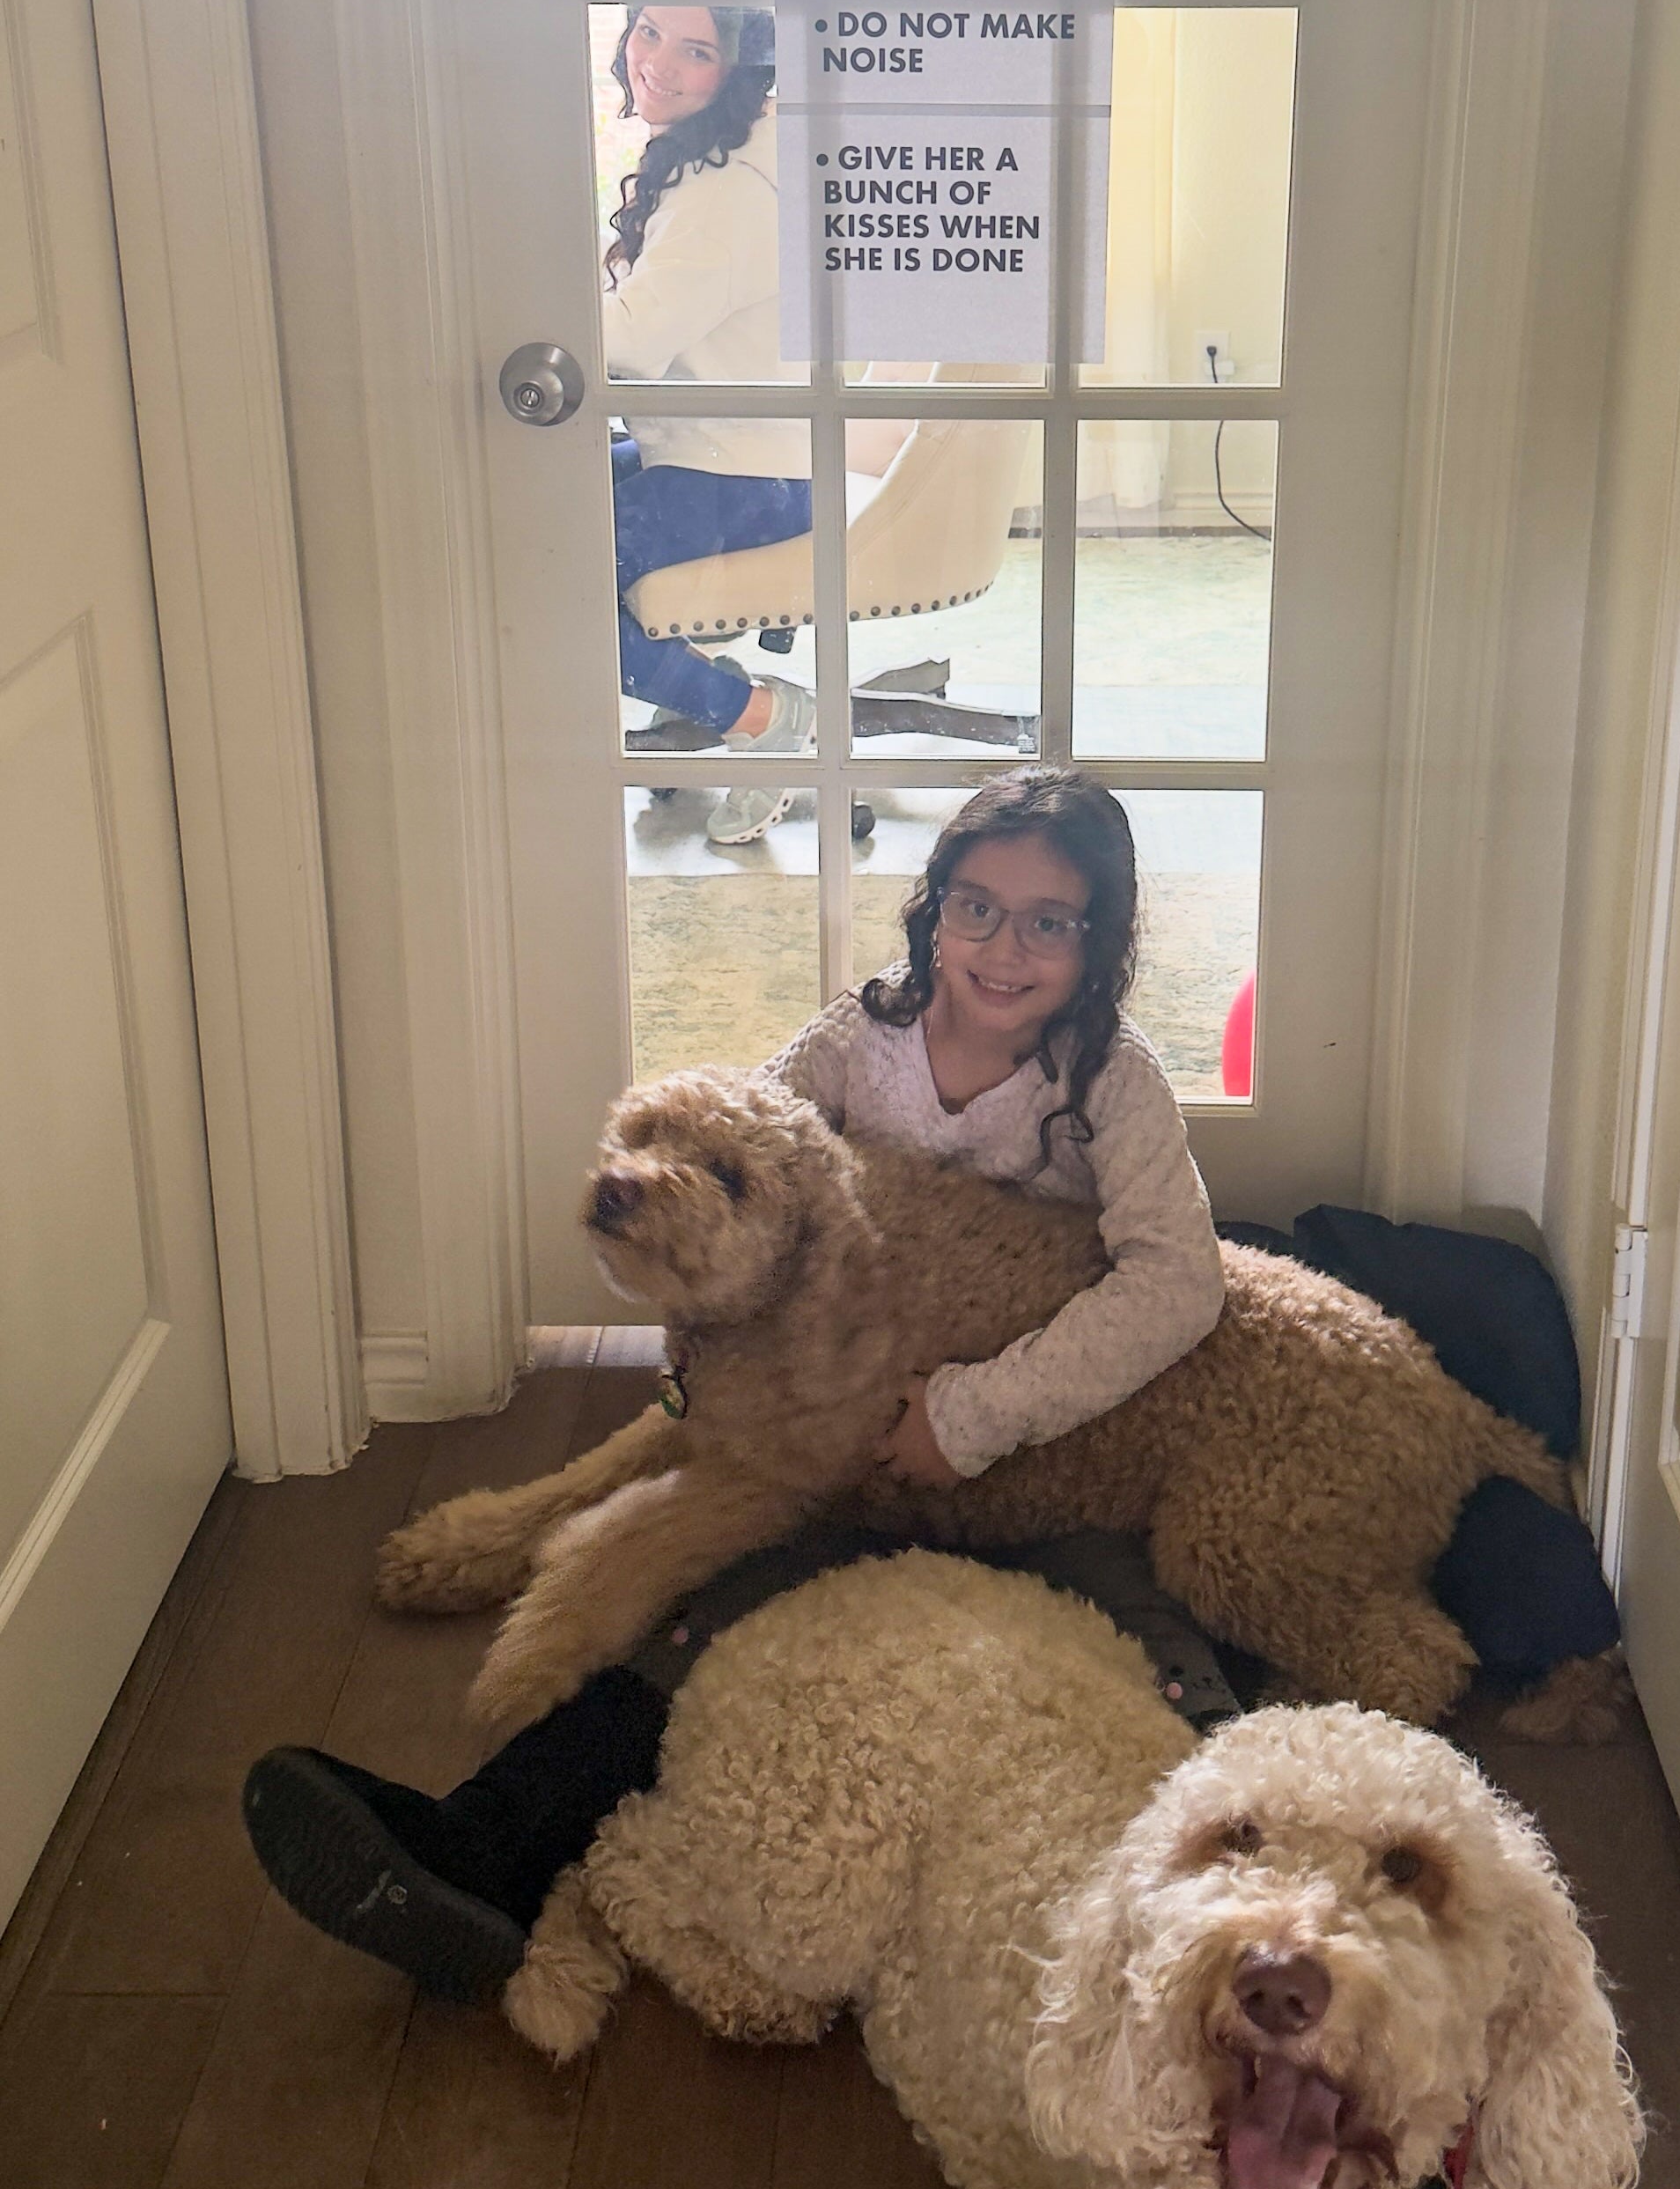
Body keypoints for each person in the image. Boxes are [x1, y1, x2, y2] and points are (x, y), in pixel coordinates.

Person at [242, 772, 1240, 2000]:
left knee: (1138, 1626)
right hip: (832, 1439)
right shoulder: (847, 1047)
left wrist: (975, 1413)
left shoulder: (1112, 1086)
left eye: (1049, 920)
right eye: (976, 907)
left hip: (1048, 1449)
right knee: (694, 1600)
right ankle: (481, 1848)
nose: (1004, 946)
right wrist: (710, 1362)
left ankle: (1250, 1883)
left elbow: (1180, 1282)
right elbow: (725, 1195)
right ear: (931, 913)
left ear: (1100, 941)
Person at [603, 0, 811, 847]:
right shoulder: (725, 153)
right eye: (649, 31)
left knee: (539, 576)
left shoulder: (729, 188)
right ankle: (684, 669)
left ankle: (758, 716)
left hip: (738, 479)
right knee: (522, 506)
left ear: (739, 70)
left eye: (694, 49)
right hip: (726, 454)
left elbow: (632, 343)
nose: (656, 60)